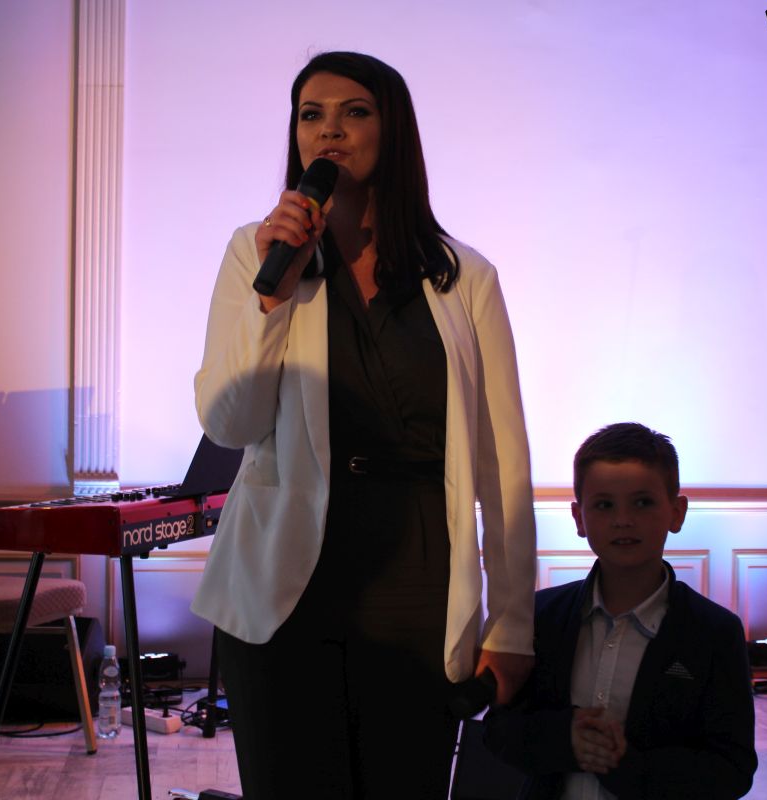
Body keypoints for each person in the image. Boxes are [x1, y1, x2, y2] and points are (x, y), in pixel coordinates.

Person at [190, 51, 536, 798]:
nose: (329, 131)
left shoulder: (463, 277)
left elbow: (502, 462)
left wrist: (512, 623)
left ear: (393, 130)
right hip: (285, 585)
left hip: (417, 579)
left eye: (354, 112)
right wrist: (273, 299)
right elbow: (229, 422)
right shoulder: (256, 253)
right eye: (311, 115)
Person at [484, 423, 757, 799]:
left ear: (677, 512)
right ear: (579, 518)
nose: (623, 520)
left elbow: (732, 769)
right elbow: (498, 730)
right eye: (604, 505)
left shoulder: (714, 632)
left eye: (642, 502)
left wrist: (627, 765)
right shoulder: (540, 617)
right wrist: (564, 739)